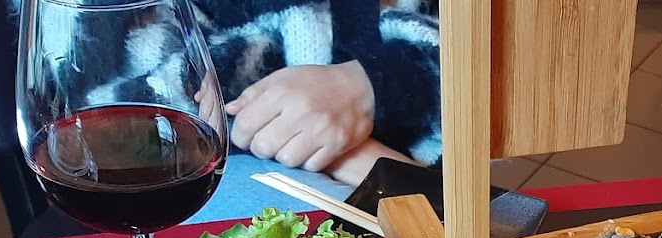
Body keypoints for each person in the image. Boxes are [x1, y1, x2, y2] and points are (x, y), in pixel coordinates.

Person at [86, 0, 444, 186]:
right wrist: (344, 151)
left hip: (435, 192)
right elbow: (96, 120)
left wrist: (370, 84)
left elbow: (472, 56)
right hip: (191, 189)